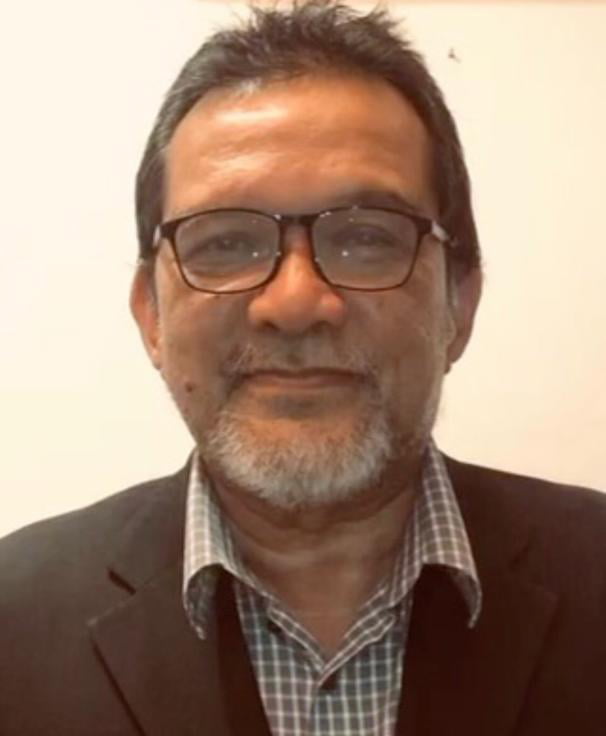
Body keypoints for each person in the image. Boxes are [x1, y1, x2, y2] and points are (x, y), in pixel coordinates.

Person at [1, 2, 605, 734]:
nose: (294, 303)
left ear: (461, 304)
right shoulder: (13, 623)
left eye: (366, 238)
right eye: (225, 243)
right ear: (151, 315)